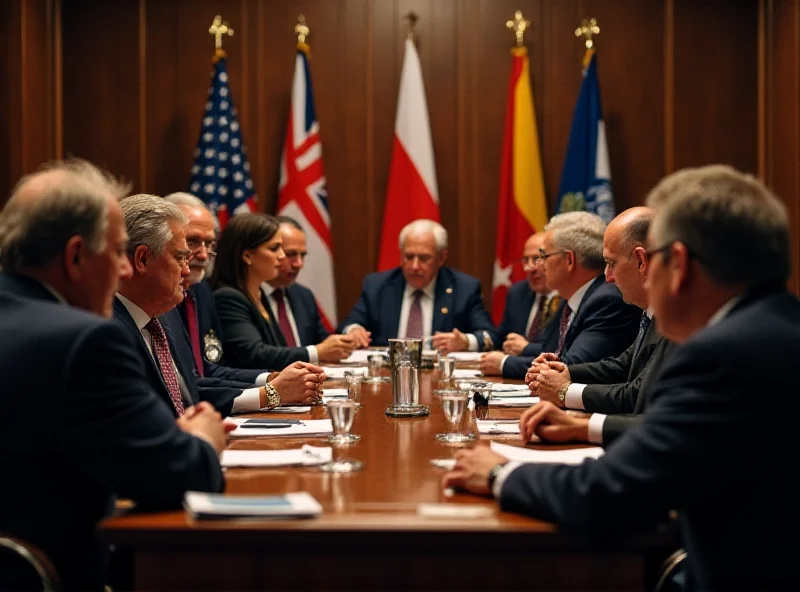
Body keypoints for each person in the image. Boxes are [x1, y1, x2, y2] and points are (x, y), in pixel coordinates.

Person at [444, 165, 800, 590]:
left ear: (679, 264)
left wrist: (500, 474)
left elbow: (610, 494)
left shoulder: (721, 356)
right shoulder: (779, 325)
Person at [0, 160, 226, 592]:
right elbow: (181, 474)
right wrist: (202, 437)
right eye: (117, 252)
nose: (125, 271)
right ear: (75, 256)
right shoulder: (83, 341)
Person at [115, 195, 321, 416]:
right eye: (181, 256)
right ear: (142, 260)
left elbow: (190, 386)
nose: (188, 269)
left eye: (210, 244)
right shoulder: (109, 332)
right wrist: (271, 392)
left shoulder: (166, 316)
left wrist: (272, 384)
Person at [521, 208, 675, 446]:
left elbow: (637, 396)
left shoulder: (679, 320)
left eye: (611, 263)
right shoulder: (653, 313)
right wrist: (566, 373)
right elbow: (623, 366)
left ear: (642, 261)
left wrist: (565, 394)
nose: (607, 276)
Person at [163, 193, 325, 398]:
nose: (203, 255)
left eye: (210, 244)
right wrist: (271, 393)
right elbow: (250, 354)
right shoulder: (212, 296)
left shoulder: (201, 292)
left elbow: (210, 368)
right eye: (192, 241)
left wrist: (271, 379)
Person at [500, 212, 641, 379]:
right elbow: (550, 353)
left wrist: (504, 364)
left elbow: (571, 366)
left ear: (569, 260)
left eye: (543, 256)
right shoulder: (568, 300)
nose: (540, 265)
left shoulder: (607, 299)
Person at [339, 219, 496, 351]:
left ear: (441, 258)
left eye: (424, 258)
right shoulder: (377, 285)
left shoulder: (464, 288)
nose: (414, 266)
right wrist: (354, 330)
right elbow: (346, 325)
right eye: (408, 257)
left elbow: (490, 336)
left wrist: (466, 342)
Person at [212, 213, 328, 370]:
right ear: (247, 256)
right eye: (275, 248)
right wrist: (315, 352)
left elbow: (278, 348)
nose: (281, 256)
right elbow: (254, 354)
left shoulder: (259, 293)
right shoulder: (227, 297)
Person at [262, 215, 356, 362]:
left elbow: (324, 344)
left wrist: (346, 342)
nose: (299, 264)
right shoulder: (249, 296)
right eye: (290, 254)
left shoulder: (303, 295)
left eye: (303, 255)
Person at [479, 232, 561, 375]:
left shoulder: (567, 298)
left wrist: (526, 347)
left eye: (537, 259)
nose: (529, 268)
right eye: (525, 260)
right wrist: (468, 341)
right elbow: (501, 337)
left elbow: (560, 350)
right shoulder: (518, 292)